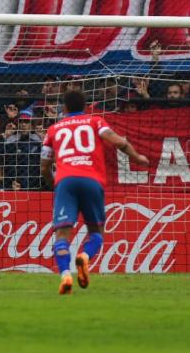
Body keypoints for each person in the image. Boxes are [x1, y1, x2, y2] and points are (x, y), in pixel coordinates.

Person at [40, 89, 150, 295]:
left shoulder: (53, 130)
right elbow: (119, 142)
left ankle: (65, 274)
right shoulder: (95, 122)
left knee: (62, 234)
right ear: (85, 107)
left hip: (65, 181)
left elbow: (44, 167)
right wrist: (137, 157)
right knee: (96, 234)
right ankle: (85, 258)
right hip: (92, 181)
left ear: (64, 108)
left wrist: (56, 183)